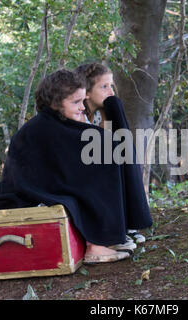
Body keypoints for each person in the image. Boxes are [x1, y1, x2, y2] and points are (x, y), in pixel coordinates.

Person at [0, 69, 152, 264]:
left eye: (83, 101)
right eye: (75, 102)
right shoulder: (44, 127)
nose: (82, 108)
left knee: (107, 153)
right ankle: (97, 245)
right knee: (105, 159)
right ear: (55, 103)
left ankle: (110, 235)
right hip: (31, 191)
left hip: (47, 184)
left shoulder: (57, 123)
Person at [75, 62, 149, 245]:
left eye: (111, 86)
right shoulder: (78, 115)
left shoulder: (104, 113)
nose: (111, 92)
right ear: (87, 92)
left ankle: (127, 223)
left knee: (119, 159)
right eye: (104, 87)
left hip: (100, 165)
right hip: (82, 172)